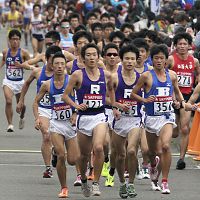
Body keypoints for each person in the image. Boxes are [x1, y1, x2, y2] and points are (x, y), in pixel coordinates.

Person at [131, 44, 185, 194]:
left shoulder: (172, 75)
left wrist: (178, 102)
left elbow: (177, 92)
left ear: (166, 59)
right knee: (152, 152)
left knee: (165, 147)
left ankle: (165, 181)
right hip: (151, 118)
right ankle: (153, 166)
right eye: (156, 58)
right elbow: (133, 94)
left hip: (167, 117)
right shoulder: (146, 76)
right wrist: (145, 100)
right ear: (152, 60)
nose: (159, 61)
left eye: (162, 58)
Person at [62, 43, 115, 197]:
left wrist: (114, 105)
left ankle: (96, 183)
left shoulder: (106, 75)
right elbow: (65, 95)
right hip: (84, 117)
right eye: (88, 55)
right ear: (83, 58)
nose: (92, 57)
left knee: (98, 147)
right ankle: (84, 179)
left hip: (100, 115)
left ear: (99, 57)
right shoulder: (77, 75)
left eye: (94, 54)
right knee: (83, 156)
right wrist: (76, 106)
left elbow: (111, 89)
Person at [33, 52, 79, 198]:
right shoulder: (47, 84)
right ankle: (64, 187)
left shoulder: (72, 80)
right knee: (61, 155)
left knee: (72, 160)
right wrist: (37, 118)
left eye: (62, 63)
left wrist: (75, 113)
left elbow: (81, 97)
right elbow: (35, 102)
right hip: (56, 123)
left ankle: (56, 154)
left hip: (70, 124)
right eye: (56, 64)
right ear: (51, 66)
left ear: (65, 65)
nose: (59, 66)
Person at [16, 46, 62, 178]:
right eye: (53, 61)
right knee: (46, 135)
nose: (56, 65)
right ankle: (48, 168)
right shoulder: (38, 72)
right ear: (46, 60)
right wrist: (21, 101)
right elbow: (26, 84)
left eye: (58, 62)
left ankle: (54, 151)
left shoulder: (63, 74)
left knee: (57, 139)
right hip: (43, 108)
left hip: (58, 109)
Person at [112, 44, 141, 198]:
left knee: (131, 150)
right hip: (119, 120)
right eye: (127, 59)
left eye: (132, 59)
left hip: (135, 119)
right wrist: (116, 106)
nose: (129, 61)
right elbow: (107, 98)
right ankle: (122, 183)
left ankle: (131, 184)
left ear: (137, 61)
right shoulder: (115, 77)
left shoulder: (141, 78)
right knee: (120, 155)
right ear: (121, 60)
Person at [167, 32, 200, 170]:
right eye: (179, 44)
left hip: (186, 97)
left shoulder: (194, 61)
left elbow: (198, 73)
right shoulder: (171, 59)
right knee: (174, 132)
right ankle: (164, 151)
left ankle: (181, 159)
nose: (182, 46)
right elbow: (163, 75)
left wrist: (197, 79)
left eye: (184, 44)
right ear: (175, 45)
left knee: (185, 128)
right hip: (171, 97)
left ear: (189, 45)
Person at [0, 29, 31, 132]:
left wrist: (21, 65)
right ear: (9, 40)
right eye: (13, 39)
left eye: (17, 39)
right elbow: (3, 61)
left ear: (20, 40)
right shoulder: (5, 52)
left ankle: (22, 116)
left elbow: (29, 66)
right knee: (8, 101)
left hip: (19, 82)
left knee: (20, 105)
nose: (15, 42)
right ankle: (10, 124)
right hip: (8, 81)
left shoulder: (24, 53)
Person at [102, 43, 120, 187]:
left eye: (115, 54)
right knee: (105, 142)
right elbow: (100, 96)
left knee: (117, 146)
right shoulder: (100, 73)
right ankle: (105, 161)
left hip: (120, 113)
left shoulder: (123, 72)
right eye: (109, 55)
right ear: (104, 57)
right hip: (104, 110)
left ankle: (112, 171)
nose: (112, 57)